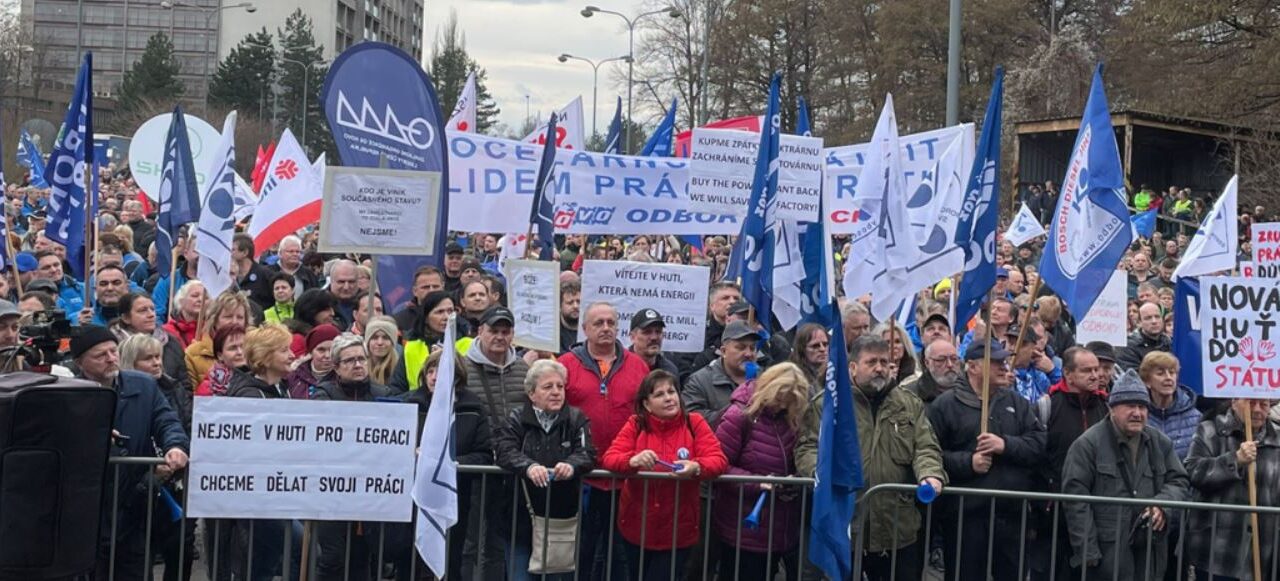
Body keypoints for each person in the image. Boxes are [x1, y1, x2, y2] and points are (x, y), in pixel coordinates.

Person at [72, 326, 189, 581]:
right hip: (86, 505)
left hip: (132, 502)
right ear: (80, 362)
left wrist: (175, 446)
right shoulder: (68, 390)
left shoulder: (143, 385)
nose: (111, 358)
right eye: (100, 355)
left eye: (113, 351)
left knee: (134, 569)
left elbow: (165, 420)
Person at [927, 341, 1046, 581]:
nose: (1004, 367)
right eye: (996, 363)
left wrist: (1005, 445)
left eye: (1004, 361)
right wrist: (968, 462)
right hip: (966, 518)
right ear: (972, 366)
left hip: (1012, 516)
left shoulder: (1016, 402)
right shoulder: (945, 406)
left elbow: (1039, 444)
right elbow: (931, 455)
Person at [1061, 370, 1190, 581]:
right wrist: (1088, 553)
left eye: (1142, 407)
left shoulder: (1159, 442)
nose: (1138, 413)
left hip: (1149, 554)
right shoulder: (1087, 445)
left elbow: (1179, 480)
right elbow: (1076, 502)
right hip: (1107, 556)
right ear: (1112, 409)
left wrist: (1162, 505)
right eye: (1130, 406)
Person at [601, 369, 728, 581]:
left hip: (679, 529)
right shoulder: (635, 424)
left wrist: (696, 467)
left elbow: (718, 459)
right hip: (637, 527)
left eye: (671, 391)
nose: (669, 398)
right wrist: (632, 461)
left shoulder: (694, 422)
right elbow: (610, 458)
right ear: (647, 404)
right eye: (659, 394)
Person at [560, 301, 651, 578]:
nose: (606, 328)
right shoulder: (566, 364)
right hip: (581, 478)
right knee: (580, 553)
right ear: (585, 329)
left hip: (624, 477)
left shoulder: (638, 366)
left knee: (620, 556)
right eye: (598, 323)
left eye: (611, 323)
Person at [494, 360, 596, 581]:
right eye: (548, 387)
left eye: (560, 386)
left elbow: (588, 453)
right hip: (520, 518)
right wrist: (529, 466)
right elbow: (504, 450)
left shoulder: (576, 418)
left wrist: (572, 464)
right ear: (532, 394)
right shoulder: (515, 418)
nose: (556, 392)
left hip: (561, 520)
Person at [712, 362, 813, 581]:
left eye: (788, 403)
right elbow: (719, 465)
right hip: (743, 528)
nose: (781, 406)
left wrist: (793, 481)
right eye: (779, 400)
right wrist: (758, 483)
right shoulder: (739, 416)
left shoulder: (792, 418)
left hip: (781, 527)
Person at [310, 334, 394, 580]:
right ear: (336, 366)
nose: (358, 365)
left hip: (370, 493)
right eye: (350, 361)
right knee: (332, 560)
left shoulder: (383, 394)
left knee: (364, 558)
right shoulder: (323, 396)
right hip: (332, 493)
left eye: (361, 359)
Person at [117, 333, 196, 581]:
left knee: (180, 549)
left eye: (158, 357)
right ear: (131, 362)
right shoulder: (123, 392)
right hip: (139, 488)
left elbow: (182, 425)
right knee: (141, 556)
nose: (156, 363)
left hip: (176, 482)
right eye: (147, 358)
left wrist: (179, 449)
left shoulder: (174, 388)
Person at [1185, 398, 1280, 581]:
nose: (1258, 409)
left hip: (1262, 553)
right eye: (1251, 403)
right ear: (1235, 401)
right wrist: (1235, 460)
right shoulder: (1210, 430)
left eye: (1264, 404)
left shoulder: (1277, 438)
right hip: (1218, 552)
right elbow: (1194, 472)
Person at [109, 292, 189, 393]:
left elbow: (185, 383)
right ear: (126, 318)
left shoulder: (170, 342)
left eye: (152, 309)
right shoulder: (111, 346)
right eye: (143, 311)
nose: (151, 315)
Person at [684, 320, 759, 426]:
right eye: (741, 348)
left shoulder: (765, 380)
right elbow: (690, 418)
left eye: (752, 348)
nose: (748, 353)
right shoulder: (700, 381)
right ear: (724, 351)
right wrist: (733, 414)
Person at [390, 291, 459, 392]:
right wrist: (423, 394)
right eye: (439, 312)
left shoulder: (466, 344)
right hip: (419, 405)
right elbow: (395, 391)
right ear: (426, 318)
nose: (446, 317)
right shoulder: (411, 348)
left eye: (450, 311)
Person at [184, 291, 251, 389]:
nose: (234, 322)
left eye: (240, 317)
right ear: (214, 320)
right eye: (228, 317)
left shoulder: (255, 350)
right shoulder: (193, 354)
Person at [1140, 351, 1200, 459]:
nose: (1168, 378)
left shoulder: (1196, 418)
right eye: (1160, 373)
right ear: (1147, 381)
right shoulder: (1139, 415)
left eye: (1172, 372)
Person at [228, 323, 295, 399]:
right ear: (264, 357)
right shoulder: (250, 396)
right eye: (284, 350)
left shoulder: (284, 387)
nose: (292, 355)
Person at [286, 323, 339, 399]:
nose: (327, 355)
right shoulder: (294, 377)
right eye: (321, 350)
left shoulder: (344, 378)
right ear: (311, 352)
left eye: (332, 350)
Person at [903, 339, 961, 405]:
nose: (950, 364)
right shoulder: (908, 395)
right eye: (941, 360)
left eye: (954, 359)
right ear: (927, 363)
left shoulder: (971, 390)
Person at [194, 324, 247, 397]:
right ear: (220, 355)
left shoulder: (262, 377)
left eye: (243, 346)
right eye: (232, 348)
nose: (240, 352)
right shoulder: (208, 388)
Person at [1118, 302, 1172, 371]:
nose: (1154, 321)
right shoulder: (1128, 347)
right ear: (1139, 322)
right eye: (1148, 318)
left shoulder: (1168, 342)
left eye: (1157, 317)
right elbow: (1133, 377)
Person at [629, 308, 680, 378]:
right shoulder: (619, 367)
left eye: (658, 331)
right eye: (647, 332)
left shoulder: (670, 371)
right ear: (632, 337)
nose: (654, 337)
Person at [392, 265, 445, 333]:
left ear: (443, 288)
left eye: (436, 286)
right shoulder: (399, 321)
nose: (431, 290)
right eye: (426, 287)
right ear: (415, 291)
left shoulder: (453, 319)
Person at [285, 288, 336, 356]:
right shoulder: (297, 340)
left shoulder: (334, 333)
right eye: (327, 309)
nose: (332, 313)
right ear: (311, 311)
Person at [162, 280, 204, 349]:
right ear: (181, 301)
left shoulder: (212, 330)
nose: (200, 299)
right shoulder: (167, 331)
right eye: (195, 296)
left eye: (205, 297)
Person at [787, 322, 829, 389]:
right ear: (802, 349)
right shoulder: (793, 379)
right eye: (815, 346)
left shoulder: (834, 373)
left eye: (825, 344)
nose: (822, 349)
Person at [364, 315, 400, 385]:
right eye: (374, 337)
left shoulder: (400, 369)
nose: (380, 342)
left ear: (393, 342)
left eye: (385, 338)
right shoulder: (359, 368)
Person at [327, 259, 361, 330]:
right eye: (341, 282)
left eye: (351, 282)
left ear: (358, 281)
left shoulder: (370, 303)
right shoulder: (318, 304)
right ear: (331, 281)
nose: (346, 287)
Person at [559, 278, 581, 353]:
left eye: (579, 302)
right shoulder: (553, 332)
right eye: (570, 303)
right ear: (560, 306)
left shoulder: (591, 327)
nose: (575, 306)